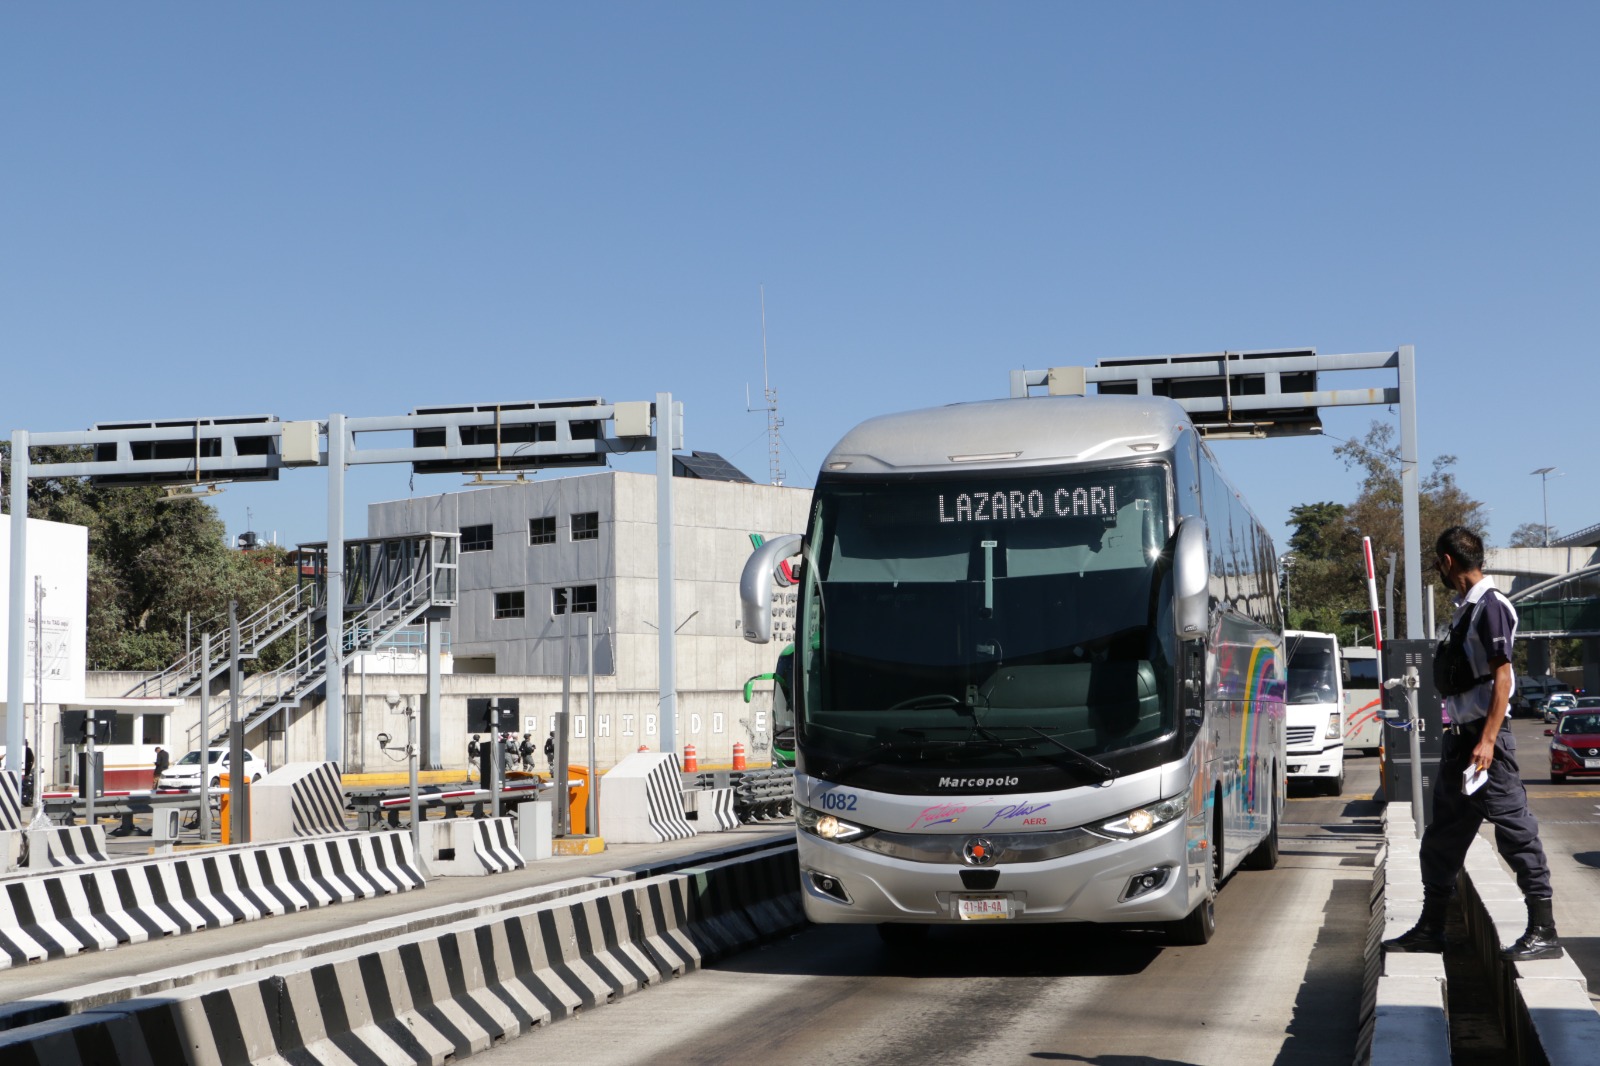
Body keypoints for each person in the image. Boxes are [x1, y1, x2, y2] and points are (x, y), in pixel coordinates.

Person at [1384, 526, 1561, 961]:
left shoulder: (1491, 606)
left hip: (1486, 743)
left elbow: (1504, 677)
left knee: (1516, 833)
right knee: (1441, 837)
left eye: (1438, 566)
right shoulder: (1466, 609)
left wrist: (1485, 741)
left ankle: (1545, 931)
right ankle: (1430, 928)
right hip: (1461, 742)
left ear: (1447, 562)